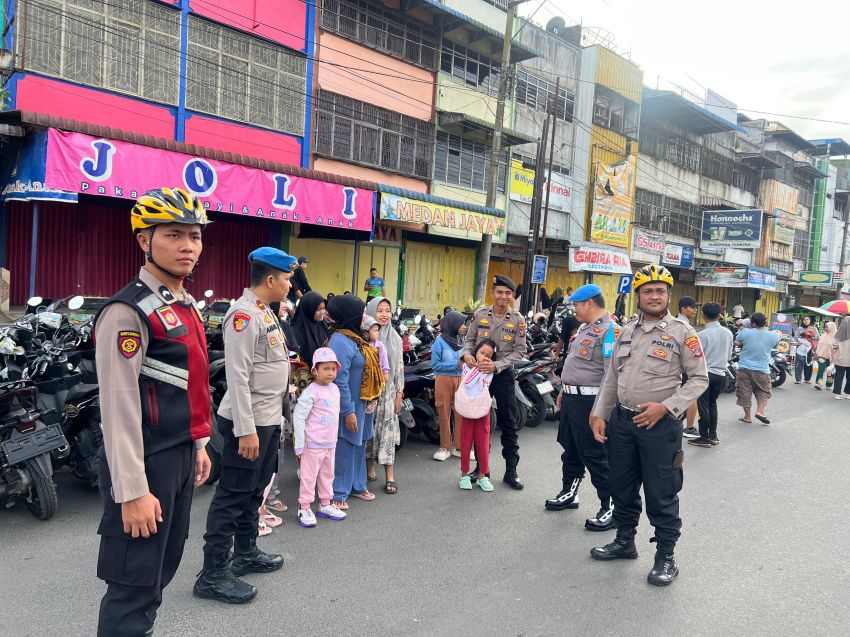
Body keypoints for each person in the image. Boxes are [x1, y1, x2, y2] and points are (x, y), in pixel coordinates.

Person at [94, 187, 212, 636]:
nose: (187, 246)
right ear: (144, 240)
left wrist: (198, 443)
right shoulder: (128, 311)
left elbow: (190, 385)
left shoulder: (181, 304)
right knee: (133, 587)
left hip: (178, 456)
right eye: (174, 235)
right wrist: (131, 492)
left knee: (160, 575)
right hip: (144, 463)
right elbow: (119, 406)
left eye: (194, 236)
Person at [589, 264, 708, 587]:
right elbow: (613, 377)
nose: (654, 296)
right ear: (638, 296)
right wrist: (601, 413)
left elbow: (699, 379)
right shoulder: (627, 331)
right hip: (623, 424)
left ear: (668, 295)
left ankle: (665, 556)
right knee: (621, 486)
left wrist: (665, 408)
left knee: (661, 493)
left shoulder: (683, 333)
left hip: (660, 427)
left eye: (660, 291)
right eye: (647, 291)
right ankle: (625, 541)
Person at [194, 247, 295, 604]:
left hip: (267, 419)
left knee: (254, 490)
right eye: (286, 279)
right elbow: (237, 377)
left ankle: (246, 552)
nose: (290, 285)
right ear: (270, 279)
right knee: (232, 495)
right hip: (248, 422)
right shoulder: (243, 315)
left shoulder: (264, 311)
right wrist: (245, 430)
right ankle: (213, 574)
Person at [545, 285, 619, 533]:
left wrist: (600, 410)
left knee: (596, 456)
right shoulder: (585, 328)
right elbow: (576, 365)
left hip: (591, 403)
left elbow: (610, 374)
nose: (574, 309)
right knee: (571, 449)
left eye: (576, 304)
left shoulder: (610, 331)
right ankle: (569, 492)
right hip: (572, 399)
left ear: (589, 303)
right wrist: (564, 392)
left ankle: (610, 506)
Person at [463, 275, 527, 490]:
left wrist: (497, 365)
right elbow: (469, 340)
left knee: (509, 422)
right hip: (480, 376)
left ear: (513, 295)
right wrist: (467, 355)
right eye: (499, 292)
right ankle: (481, 469)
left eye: (508, 293)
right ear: (492, 294)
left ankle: (511, 471)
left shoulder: (517, 319)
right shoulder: (480, 314)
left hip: (503, 375)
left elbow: (520, 351)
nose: (503, 296)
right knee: (480, 421)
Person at [327, 295, 384, 509]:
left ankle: (357, 485)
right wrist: (348, 410)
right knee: (345, 444)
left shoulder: (355, 338)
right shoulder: (340, 341)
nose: (364, 317)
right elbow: (339, 380)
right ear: (349, 315)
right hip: (349, 404)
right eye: (361, 313)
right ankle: (338, 491)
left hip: (362, 403)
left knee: (359, 444)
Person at [292, 347, 347, 527]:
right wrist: (300, 444)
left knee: (327, 475)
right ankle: (304, 506)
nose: (330, 373)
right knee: (308, 477)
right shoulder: (311, 391)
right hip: (313, 444)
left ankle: (325, 503)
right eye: (325, 369)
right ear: (315, 370)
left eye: (333, 369)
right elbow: (298, 416)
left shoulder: (335, 389)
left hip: (330, 443)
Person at [364, 296, 404, 494]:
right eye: (380, 310)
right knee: (368, 431)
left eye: (387, 310)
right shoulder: (365, 339)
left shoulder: (396, 338)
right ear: (372, 312)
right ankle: (369, 468)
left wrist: (399, 394)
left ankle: (390, 476)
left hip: (388, 393)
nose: (384, 314)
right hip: (369, 393)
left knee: (387, 433)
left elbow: (399, 368)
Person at [688, 302, 734, 448]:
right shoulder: (728, 333)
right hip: (721, 375)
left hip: (705, 374)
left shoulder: (701, 335)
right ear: (720, 315)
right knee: (712, 404)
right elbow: (729, 355)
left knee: (703, 406)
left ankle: (704, 437)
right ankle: (713, 435)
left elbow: (696, 357)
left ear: (703, 315)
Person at [457, 340, 496, 492]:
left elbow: (484, 384)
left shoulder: (489, 371)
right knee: (466, 443)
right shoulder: (466, 366)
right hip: (467, 410)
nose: (484, 357)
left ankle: (483, 476)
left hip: (482, 411)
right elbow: (468, 383)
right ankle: (464, 475)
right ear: (476, 352)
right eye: (482, 352)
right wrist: (477, 367)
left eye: (488, 356)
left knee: (483, 445)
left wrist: (482, 368)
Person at [432, 311, 468, 460]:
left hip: (461, 379)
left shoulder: (463, 341)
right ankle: (444, 447)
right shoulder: (439, 342)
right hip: (443, 379)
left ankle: (460, 447)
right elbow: (435, 365)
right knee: (444, 412)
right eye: (461, 324)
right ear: (453, 324)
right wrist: (455, 364)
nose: (464, 327)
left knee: (461, 413)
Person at [735, 312, 780, 424]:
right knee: (763, 391)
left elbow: (737, 342)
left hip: (744, 368)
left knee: (744, 392)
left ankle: (747, 417)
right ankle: (760, 411)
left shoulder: (745, 332)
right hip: (762, 369)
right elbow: (775, 345)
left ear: (753, 323)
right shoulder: (773, 335)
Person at [676, 296, 700, 439]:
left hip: (676, 367)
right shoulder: (684, 326)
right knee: (691, 396)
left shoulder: (675, 323)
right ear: (683, 309)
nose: (695, 310)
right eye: (692, 307)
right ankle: (689, 427)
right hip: (683, 367)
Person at [291, 291, 330, 368]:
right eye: (318, 309)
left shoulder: (323, 326)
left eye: (323, 308)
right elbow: (294, 360)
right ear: (308, 309)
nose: (322, 312)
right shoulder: (294, 332)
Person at [362, 315, 390, 380]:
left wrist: (385, 373)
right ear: (366, 332)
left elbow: (384, 360)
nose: (377, 333)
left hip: (377, 376)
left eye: (378, 331)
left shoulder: (379, 346)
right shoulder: (361, 344)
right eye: (375, 331)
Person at [814, 321, 837, 389]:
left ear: (832, 327)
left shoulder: (836, 337)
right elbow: (819, 345)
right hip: (822, 356)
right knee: (821, 370)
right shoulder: (823, 335)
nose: (826, 328)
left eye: (827, 327)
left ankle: (829, 384)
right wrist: (816, 353)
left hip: (832, 358)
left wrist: (834, 356)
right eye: (825, 327)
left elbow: (837, 348)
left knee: (830, 372)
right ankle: (819, 383)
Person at [831, 319, 850, 399]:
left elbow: (834, 346)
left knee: (838, 377)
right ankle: (848, 394)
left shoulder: (838, 334)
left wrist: (832, 356)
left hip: (840, 359)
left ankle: (837, 394)